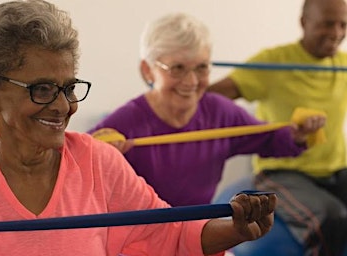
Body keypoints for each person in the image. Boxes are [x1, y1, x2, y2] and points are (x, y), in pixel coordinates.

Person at [0, 1, 278, 255]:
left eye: (68, 87)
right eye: (42, 88)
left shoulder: (98, 163)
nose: (63, 105)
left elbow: (169, 236)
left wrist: (237, 228)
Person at [87, 13, 325, 207]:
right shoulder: (125, 122)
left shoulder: (220, 112)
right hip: (138, 240)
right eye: (177, 68)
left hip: (199, 233)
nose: (191, 81)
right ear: (148, 71)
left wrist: (299, 133)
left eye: (201, 68)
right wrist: (99, 159)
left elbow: (272, 139)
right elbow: (74, 164)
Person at [208, 0, 347, 255]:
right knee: (333, 217)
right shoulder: (273, 63)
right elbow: (209, 98)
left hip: (336, 170)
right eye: (328, 24)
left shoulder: (342, 65)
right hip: (282, 171)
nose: (337, 33)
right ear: (305, 22)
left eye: (343, 25)